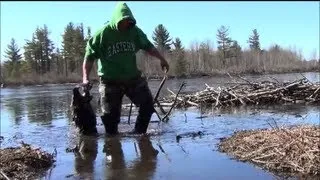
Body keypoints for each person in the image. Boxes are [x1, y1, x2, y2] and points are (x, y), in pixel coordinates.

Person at [82, 2, 170, 135]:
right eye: (123, 21)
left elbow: (149, 47)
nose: (126, 25)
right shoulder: (102, 35)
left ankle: (139, 134)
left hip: (132, 78)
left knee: (147, 105)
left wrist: (162, 59)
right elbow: (89, 58)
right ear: (117, 20)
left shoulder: (134, 32)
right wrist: (85, 78)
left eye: (129, 22)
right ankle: (112, 146)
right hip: (109, 80)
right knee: (110, 119)